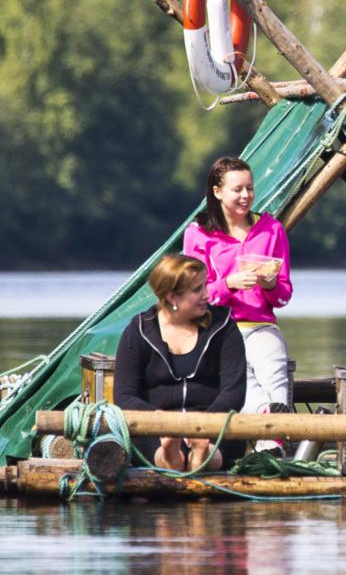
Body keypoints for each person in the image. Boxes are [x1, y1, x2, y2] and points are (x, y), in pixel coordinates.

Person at [113, 254, 248, 472]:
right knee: (141, 439)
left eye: (205, 285)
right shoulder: (138, 330)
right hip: (155, 428)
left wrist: (201, 425)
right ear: (172, 297)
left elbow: (234, 392)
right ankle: (169, 455)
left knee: (229, 438)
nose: (207, 295)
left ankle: (203, 456)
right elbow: (124, 396)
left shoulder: (224, 327)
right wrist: (163, 422)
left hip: (213, 426)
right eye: (197, 290)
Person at [182, 154, 293, 414]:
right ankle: (270, 432)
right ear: (218, 192)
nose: (246, 195)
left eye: (250, 188)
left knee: (275, 374)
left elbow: (284, 296)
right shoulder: (197, 233)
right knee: (244, 379)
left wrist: (270, 284)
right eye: (238, 189)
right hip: (216, 325)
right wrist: (229, 284)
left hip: (261, 324)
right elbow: (190, 295)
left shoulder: (271, 229)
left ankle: (274, 434)